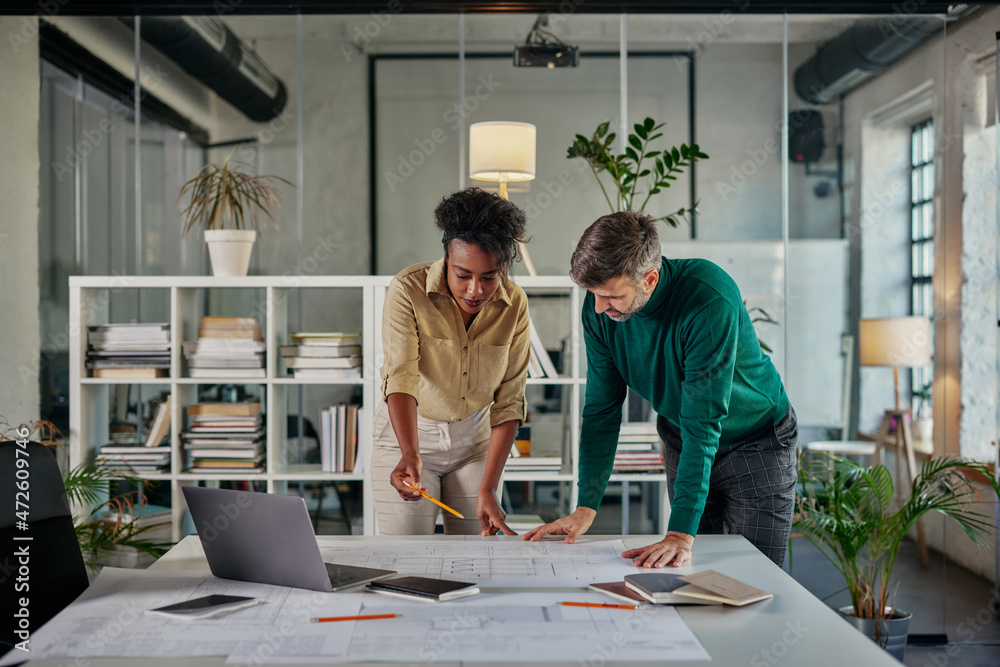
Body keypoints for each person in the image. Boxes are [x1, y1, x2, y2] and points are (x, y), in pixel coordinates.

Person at [524, 211, 798, 568]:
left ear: (649, 279)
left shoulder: (708, 299)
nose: (598, 307)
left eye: (610, 296)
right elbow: (601, 410)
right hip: (682, 437)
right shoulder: (600, 311)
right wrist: (585, 507)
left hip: (756, 440)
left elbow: (703, 420)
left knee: (755, 573)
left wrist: (680, 534)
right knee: (694, 573)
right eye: (592, 294)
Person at [373, 187, 530, 537]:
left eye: (488, 277)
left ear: (503, 266)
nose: (475, 290)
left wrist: (489, 486)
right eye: (463, 275)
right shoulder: (408, 289)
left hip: (475, 444)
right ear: (446, 257)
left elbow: (509, 400)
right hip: (409, 435)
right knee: (407, 555)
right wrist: (409, 453)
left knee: (475, 555)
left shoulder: (515, 303)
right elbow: (400, 378)